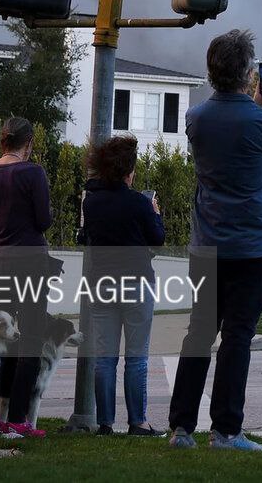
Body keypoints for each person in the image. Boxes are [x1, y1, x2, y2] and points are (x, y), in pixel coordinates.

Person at [169, 29, 262, 452]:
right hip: (251, 249)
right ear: (249, 74)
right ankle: (226, 430)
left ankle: (181, 429)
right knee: (237, 337)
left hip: (205, 244)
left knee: (197, 333)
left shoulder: (195, 118)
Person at [0, 116, 55, 439]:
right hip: (32, 262)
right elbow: (44, 220)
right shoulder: (33, 173)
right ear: (28, 143)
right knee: (31, 338)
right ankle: (18, 419)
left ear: (2, 141)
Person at [82, 134, 166, 437]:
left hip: (102, 282)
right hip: (136, 283)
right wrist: (155, 213)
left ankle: (105, 422)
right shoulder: (139, 203)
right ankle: (138, 422)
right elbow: (156, 238)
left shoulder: (92, 202)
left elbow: (86, 237)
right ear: (129, 171)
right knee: (136, 357)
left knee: (104, 358)